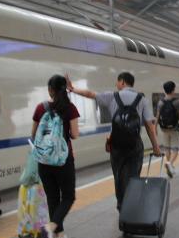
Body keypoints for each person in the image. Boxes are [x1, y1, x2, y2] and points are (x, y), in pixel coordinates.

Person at [66, 72, 161, 211]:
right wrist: (156, 147)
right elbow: (149, 126)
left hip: (116, 146)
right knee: (133, 177)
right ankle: (132, 208)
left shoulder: (112, 96)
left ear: (122, 82)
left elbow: (90, 94)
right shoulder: (142, 99)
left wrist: (73, 89)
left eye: (117, 82)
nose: (116, 85)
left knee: (118, 177)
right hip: (135, 146)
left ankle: (121, 206)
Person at [32, 75, 80, 238]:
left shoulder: (41, 108)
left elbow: (34, 134)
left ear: (50, 90)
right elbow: (74, 134)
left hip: (44, 161)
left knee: (53, 197)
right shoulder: (70, 108)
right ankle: (51, 227)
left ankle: (59, 236)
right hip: (62, 160)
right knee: (68, 197)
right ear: (65, 88)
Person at [155, 81, 179, 178]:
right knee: (175, 149)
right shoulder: (176, 101)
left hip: (164, 128)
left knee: (167, 148)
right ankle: (170, 163)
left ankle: (170, 165)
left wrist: (155, 127)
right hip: (174, 128)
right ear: (173, 90)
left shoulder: (160, 102)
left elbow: (157, 116)